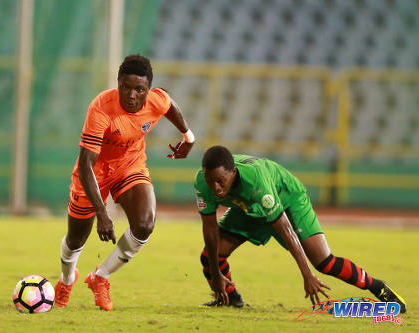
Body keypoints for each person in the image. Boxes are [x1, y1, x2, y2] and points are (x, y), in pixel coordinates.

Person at [54, 54, 194, 311]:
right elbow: (86, 164)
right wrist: (103, 213)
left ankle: (101, 277)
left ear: (148, 90)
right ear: (118, 83)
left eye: (139, 89)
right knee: (76, 240)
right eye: (126, 87)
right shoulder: (101, 107)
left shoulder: (156, 100)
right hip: (94, 171)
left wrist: (188, 136)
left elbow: (168, 103)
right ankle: (66, 280)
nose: (131, 95)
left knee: (145, 225)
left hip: (130, 165)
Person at [194, 145, 406, 313]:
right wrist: (215, 271)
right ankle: (231, 299)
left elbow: (286, 230)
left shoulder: (256, 182)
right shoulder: (202, 184)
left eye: (220, 181)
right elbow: (210, 229)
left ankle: (377, 287)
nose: (216, 188)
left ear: (233, 171)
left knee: (324, 262)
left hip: (287, 200)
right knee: (210, 257)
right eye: (210, 181)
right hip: (248, 206)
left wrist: (307, 275)